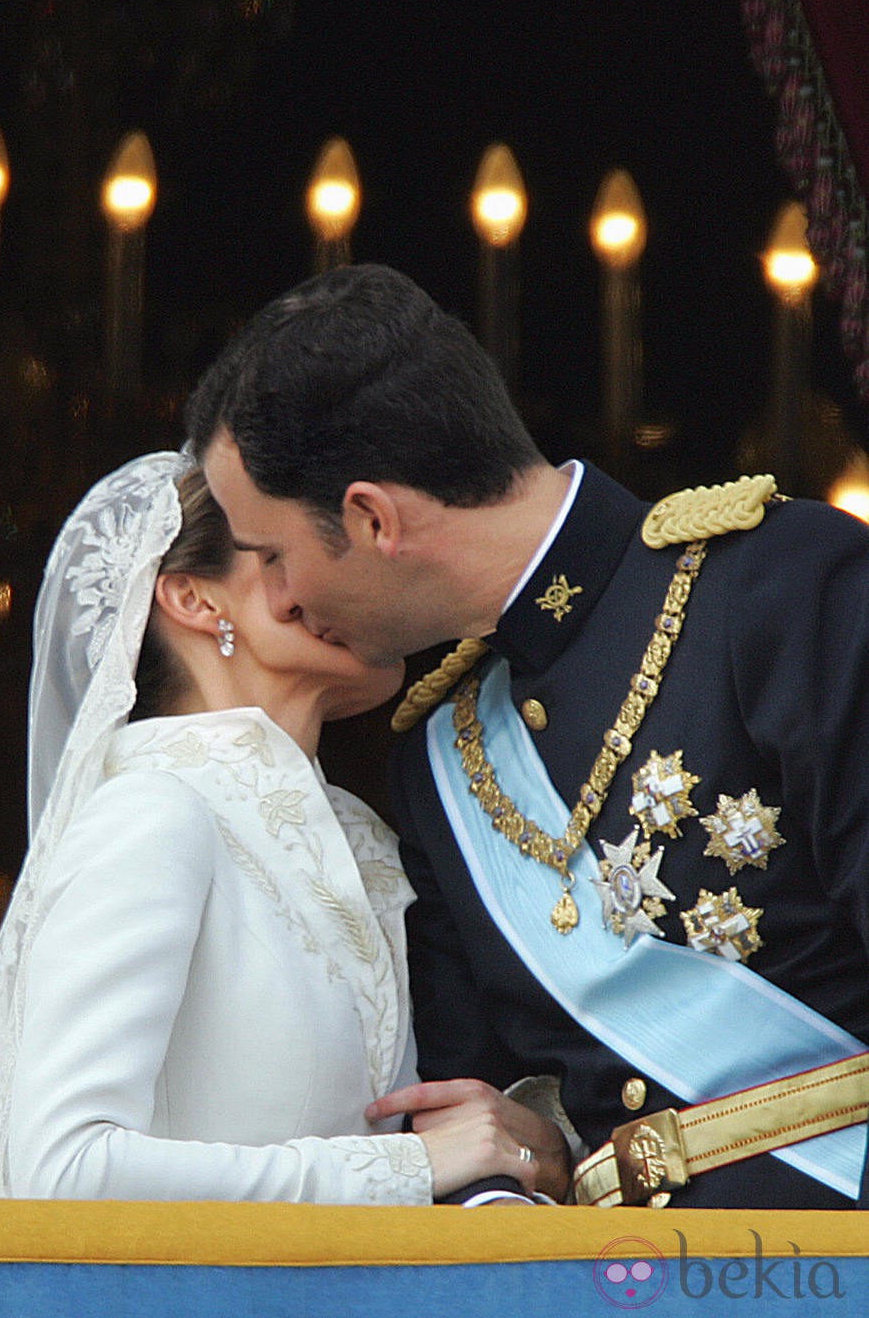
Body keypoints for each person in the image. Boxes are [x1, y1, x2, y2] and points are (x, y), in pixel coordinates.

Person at [188, 262, 869, 1210]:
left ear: (372, 518)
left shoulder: (783, 589)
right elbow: (474, 1126)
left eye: (272, 553)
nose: (280, 597)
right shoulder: (437, 763)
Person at [0, 450, 569, 1203]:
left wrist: (535, 1140)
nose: (335, 578)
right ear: (194, 598)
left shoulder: (360, 836)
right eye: (281, 555)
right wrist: (407, 1168)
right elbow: (65, 1171)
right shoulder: (153, 811)